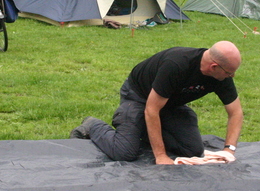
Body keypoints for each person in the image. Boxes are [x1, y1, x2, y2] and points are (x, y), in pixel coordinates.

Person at [70, 41, 243, 165]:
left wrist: (228, 150)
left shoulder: (222, 75)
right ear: (214, 67)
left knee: (193, 151)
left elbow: (235, 112)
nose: (232, 77)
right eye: (230, 73)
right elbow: (151, 110)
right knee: (124, 152)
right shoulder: (177, 64)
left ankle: (144, 130)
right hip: (139, 98)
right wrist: (160, 156)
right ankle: (93, 125)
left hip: (169, 106)